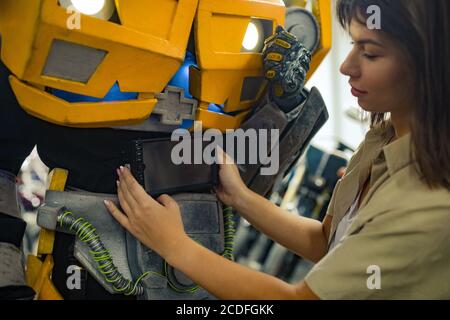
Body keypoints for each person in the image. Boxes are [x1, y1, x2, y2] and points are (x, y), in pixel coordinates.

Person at [105, 0, 450, 299]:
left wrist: (175, 246)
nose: (347, 67)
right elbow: (325, 240)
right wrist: (240, 196)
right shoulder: (382, 139)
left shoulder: (429, 204)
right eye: (354, 45)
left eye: (371, 53)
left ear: (430, 62)